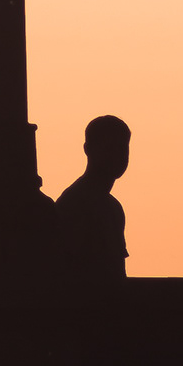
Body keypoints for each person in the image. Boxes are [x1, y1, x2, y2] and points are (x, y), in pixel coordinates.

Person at [55, 115, 130, 280]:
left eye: (122, 148)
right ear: (88, 149)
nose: (117, 155)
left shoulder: (113, 207)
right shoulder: (75, 204)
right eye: (109, 148)